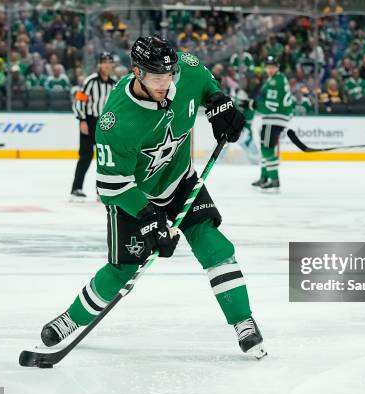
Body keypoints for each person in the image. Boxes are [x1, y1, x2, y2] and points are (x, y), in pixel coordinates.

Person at [40, 36, 266, 358]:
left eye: (169, 75)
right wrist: (150, 219)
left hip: (180, 180)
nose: (165, 83)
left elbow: (202, 78)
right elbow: (111, 185)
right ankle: (71, 320)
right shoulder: (115, 122)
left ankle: (243, 321)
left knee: (213, 244)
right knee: (123, 270)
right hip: (134, 196)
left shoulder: (182, 69)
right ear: (137, 72)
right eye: (157, 77)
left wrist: (218, 100)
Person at [70, 51, 116, 200]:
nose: (107, 65)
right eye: (104, 62)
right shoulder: (90, 81)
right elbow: (79, 101)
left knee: (104, 158)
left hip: (105, 124)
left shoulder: (113, 84)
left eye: (109, 62)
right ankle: (76, 189)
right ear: (99, 64)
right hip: (89, 121)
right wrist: (82, 120)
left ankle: (100, 190)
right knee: (85, 156)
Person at [252, 56, 294, 192]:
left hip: (274, 118)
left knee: (266, 148)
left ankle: (274, 180)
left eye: (272, 67)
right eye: (268, 66)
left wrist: (252, 104)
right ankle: (264, 177)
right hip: (276, 118)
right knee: (266, 147)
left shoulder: (274, 82)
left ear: (277, 67)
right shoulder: (277, 79)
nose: (270, 69)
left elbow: (271, 106)